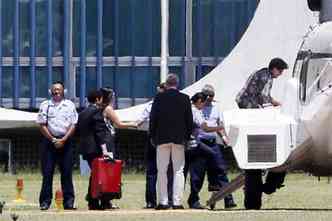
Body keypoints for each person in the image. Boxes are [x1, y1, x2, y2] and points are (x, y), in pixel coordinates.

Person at [236, 58, 288, 206]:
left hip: (248, 101)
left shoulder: (265, 74)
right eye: (281, 70)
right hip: (247, 103)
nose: (281, 73)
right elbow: (260, 95)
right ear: (275, 68)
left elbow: (265, 96)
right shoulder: (266, 77)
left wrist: (274, 103)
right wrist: (271, 107)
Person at [149, 74, 193, 210]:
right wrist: (187, 137)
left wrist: (152, 135)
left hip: (161, 138)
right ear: (177, 84)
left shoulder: (158, 98)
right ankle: (177, 202)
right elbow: (189, 121)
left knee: (161, 170)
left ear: (167, 84)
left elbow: (153, 118)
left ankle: (163, 202)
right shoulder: (185, 98)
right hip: (179, 139)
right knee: (178, 171)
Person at [36, 81, 78, 210]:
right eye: (54, 89)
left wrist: (64, 139)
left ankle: (68, 202)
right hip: (49, 143)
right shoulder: (45, 105)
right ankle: (45, 202)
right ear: (50, 91)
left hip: (66, 142)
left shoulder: (69, 105)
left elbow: (73, 124)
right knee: (47, 174)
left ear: (63, 91)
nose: (56, 91)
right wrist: (53, 139)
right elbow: (42, 124)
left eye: (59, 89)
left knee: (67, 173)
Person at [197, 84, 237, 209]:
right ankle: (195, 200)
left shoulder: (216, 107)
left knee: (220, 169)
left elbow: (219, 124)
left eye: (211, 96)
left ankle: (228, 199)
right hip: (200, 142)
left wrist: (224, 137)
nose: (209, 98)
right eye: (207, 96)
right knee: (199, 172)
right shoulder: (197, 107)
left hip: (213, 142)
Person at [136, 83, 174, 209]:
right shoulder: (158, 105)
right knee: (154, 171)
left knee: (165, 171)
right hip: (158, 139)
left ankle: (162, 200)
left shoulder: (152, 105)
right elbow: (140, 121)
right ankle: (153, 200)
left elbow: (140, 122)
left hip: (160, 139)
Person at [77, 89, 113, 210]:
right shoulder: (97, 111)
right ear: (98, 99)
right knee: (100, 176)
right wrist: (104, 150)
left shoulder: (82, 113)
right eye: (101, 98)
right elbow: (99, 132)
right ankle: (96, 201)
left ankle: (95, 200)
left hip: (86, 148)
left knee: (95, 175)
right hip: (95, 148)